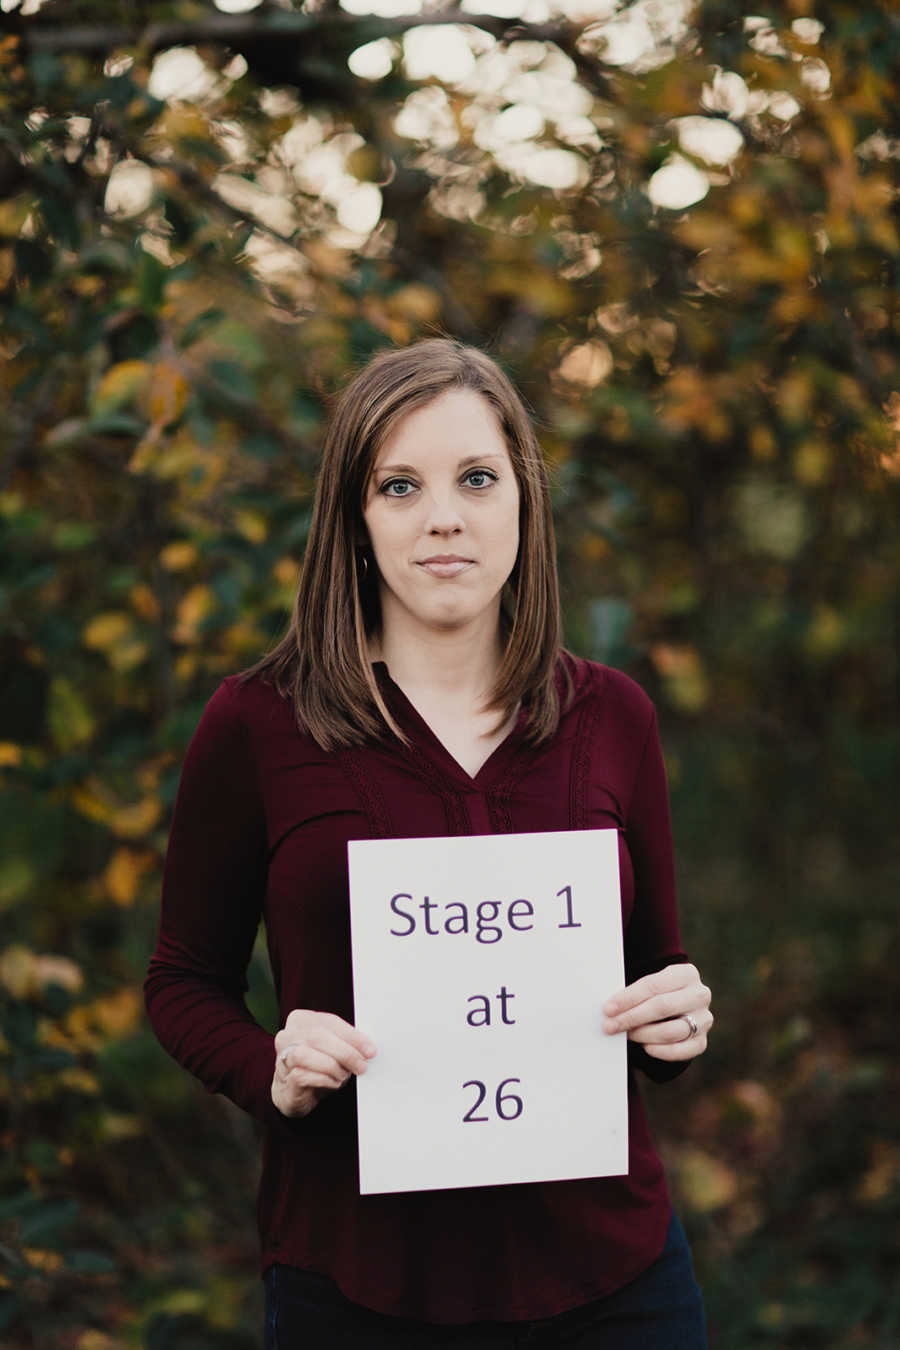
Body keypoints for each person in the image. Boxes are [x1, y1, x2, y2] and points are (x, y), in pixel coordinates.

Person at [144, 338, 713, 1349]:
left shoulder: (612, 716)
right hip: (357, 1287)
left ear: (523, 505)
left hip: (613, 1282)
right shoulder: (259, 724)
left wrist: (677, 1016)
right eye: (399, 485)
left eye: (477, 478)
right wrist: (269, 1066)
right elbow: (183, 983)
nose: (443, 515)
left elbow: (653, 973)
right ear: (357, 522)